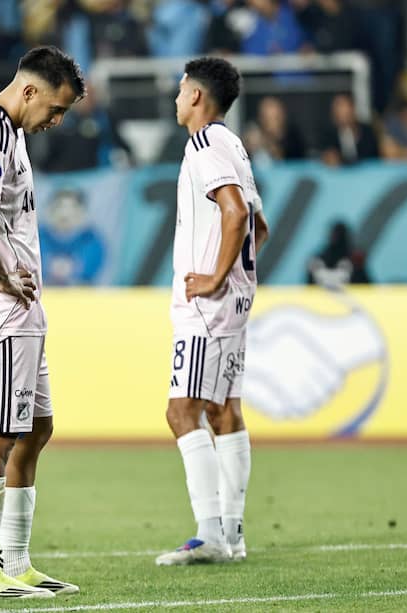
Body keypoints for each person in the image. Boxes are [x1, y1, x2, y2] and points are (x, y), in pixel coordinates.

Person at [0, 45, 84, 599]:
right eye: (55, 108)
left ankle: (17, 563)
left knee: (36, 428)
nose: (57, 120)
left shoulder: (10, 132)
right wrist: (4, 279)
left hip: (18, 308)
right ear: (28, 90)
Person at [157, 57, 270, 566]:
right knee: (225, 411)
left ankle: (209, 534)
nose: (177, 97)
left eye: (182, 88)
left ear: (197, 95)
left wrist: (215, 276)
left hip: (208, 304)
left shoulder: (204, 144)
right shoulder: (234, 147)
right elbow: (257, 227)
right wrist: (237, 278)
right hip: (235, 303)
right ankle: (233, 533)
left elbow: (236, 212)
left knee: (182, 411)